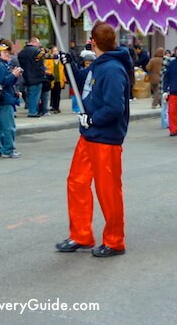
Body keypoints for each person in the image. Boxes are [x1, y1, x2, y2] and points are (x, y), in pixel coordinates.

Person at [56, 21, 131, 257]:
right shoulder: (98, 66)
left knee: (108, 191)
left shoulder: (113, 70)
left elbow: (115, 107)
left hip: (105, 139)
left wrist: (94, 119)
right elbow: (83, 84)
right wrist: (71, 65)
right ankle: (81, 234)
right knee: (76, 183)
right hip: (88, 137)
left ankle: (114, 240)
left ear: (93, 42)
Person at [0, 43, 23, 158]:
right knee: (9, 126)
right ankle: (8, 150)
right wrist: (14, 75)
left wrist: (14, 76)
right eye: (4, 52)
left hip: (1, 98)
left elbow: (4, 82)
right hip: (4, 99)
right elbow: (3, 82)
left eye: (8, 52)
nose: (8, 54)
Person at [18, 37, 46, 117]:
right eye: (38, 43)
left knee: (30, 95)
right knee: (35, 95)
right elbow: (42, 60)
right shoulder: (37, 51)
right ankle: (33, 112)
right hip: (36, 77)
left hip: (26, 77)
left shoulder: (21, 52)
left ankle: (31, 110)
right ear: (34, 42)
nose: (39, 45)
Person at [44, 47, 66, 114]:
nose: (56, 52)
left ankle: (57, 107)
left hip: (59, 79)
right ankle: (53, 106)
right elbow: (45, 68)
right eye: (54, 51)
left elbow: (64, 70)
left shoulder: (61, 60)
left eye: (56, 51)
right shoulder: (49, 60)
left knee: (57, 94)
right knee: (53, 93)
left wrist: (65, 78)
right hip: (52, 79)